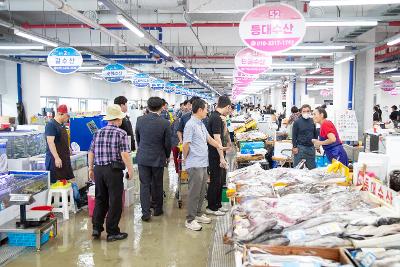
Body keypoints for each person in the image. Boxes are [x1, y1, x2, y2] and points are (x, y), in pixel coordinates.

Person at [88, 104, 134, 242]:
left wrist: (90, 168)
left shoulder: (97, 132)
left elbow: (91, 152)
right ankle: (112, 232)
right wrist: (130, 169)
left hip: (99, 169)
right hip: (113, 171)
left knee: (100, 199)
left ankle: (96, 228)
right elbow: (124, 154)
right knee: (115, 201)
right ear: (118, 120)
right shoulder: (121, 133)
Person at [182, 99, 225, 231]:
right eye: (206, 109)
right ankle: (190, 219)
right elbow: (185, 145)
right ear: (200, 110)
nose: (207, 111)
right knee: (194, 192)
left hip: (203, 162)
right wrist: (186, 160)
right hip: (194, 163)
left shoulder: (200, 124)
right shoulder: (190, 125)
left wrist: (220, 147)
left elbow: (209, 139)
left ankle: (199, 214)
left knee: (201, 191)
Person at [135, 97, 171, 221]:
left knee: (144, 185)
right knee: (158, 184)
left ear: (148, 107)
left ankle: (145, 213)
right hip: (158, 157)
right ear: (161, 107)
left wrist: (143, 149)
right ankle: (157, 209)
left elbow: (138, 139)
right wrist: (167, 155)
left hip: (143, 157)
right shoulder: (165, 123)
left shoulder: (140, 120)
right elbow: (167, 143)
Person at [206, 95, 230, 216]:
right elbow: (217, 139)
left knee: (220, 180)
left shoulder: (220, 118)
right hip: (215, 154)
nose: (229, 111)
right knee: (215, 180)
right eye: (229, 109)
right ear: (227, 106)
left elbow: (222, 135)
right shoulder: (215, 118)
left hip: (219, 153)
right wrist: (221, 157)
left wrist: (225, 125)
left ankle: (218, 205)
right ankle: (211, 207)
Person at [45, 104, 74, 184]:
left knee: (66, 183)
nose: (68, 118)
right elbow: (50, 142)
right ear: (60, 113)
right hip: (55, 161)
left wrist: (68, 147)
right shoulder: (51, 125)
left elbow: (62, 139)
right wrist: (57, 158)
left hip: (64, 158)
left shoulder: (61, 124)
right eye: (67, 115)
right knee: (57, 184)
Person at [292, 104, 317, 169]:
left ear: (310, 112)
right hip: (300, 148)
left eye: (308, 111)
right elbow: (294, 135)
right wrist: (294, 147)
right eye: (304, 111)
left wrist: (317, 145)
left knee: (312, 169)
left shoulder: (313, 121)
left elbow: (315, 133)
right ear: (301, 112)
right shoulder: (297, 122)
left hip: (311, 148)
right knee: (297, 169)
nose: (306, 113)